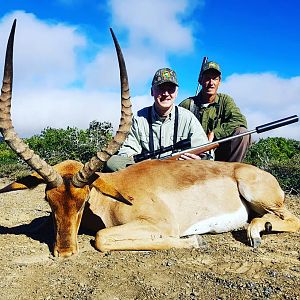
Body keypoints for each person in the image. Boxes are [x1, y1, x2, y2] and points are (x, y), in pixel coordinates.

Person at [105, 67, 211, 172]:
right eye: (161, 88)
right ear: (152, 91)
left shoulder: (188, 118)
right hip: (148, 172)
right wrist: (140, 162)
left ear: (176, 92)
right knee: (112, 162)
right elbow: (127, 151)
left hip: (179, 173)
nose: (166, 94)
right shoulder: (139, 118)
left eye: (170, 89)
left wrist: (200, 160)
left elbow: (207, 153)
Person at [179, 61, 250, 162]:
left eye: (215, 79)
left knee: (242, 133)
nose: (211, 83)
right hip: (193, 154)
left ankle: (230, 171)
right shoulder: (187, 104)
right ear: (200, 80)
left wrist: (215, 133)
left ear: (219, 81)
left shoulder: (225, 100)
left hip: (219, 151)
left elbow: (239, 120)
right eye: (207, 78)